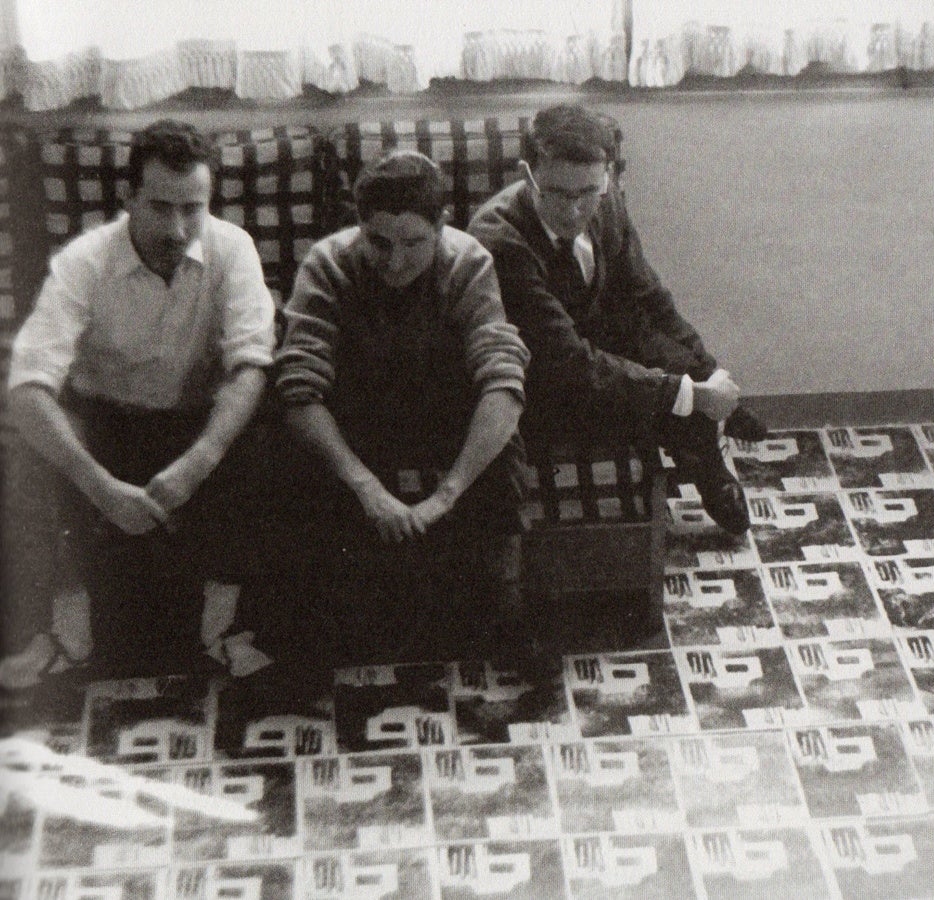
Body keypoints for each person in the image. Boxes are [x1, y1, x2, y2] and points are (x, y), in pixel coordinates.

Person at [2, 119, 277, 684]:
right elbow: (29, 388)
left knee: (267, 429)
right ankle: (60, 635)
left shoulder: (234, 248)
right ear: (128, 198)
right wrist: (99, 487)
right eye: (159, 207)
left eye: (192, 208)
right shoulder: (84, 261)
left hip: (195, 425)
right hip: (106, 424)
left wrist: (198, 464)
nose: (177, 228)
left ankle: (227, 628)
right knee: (29, 449)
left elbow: (250, 365)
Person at [274, 150, 539, 673]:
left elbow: (503, 382)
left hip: (443, 408)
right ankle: (330, 628)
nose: (396, 262)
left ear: (441, 227)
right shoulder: (327, 264)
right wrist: (368, 489)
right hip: (359, 413)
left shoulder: (468, 261)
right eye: (379, 242)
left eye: (414, 243)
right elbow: (298, 394)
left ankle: (491, 616)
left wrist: (447, 493)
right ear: (359, 227)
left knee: (503, 460)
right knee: (289, 465)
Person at [468, 103, 766, 535]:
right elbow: (568, 364)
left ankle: (709, 464)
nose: (574, 211)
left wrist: (707, 367)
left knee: (670, 357)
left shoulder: (607, 203)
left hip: (597, 339)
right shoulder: (499, 241)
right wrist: (694, 395)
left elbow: (648, 294)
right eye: (557, 193)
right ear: (527, 174)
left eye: (588, 193)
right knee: (675, 390)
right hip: (544, 382)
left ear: (606, 178)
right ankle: (707, 452)